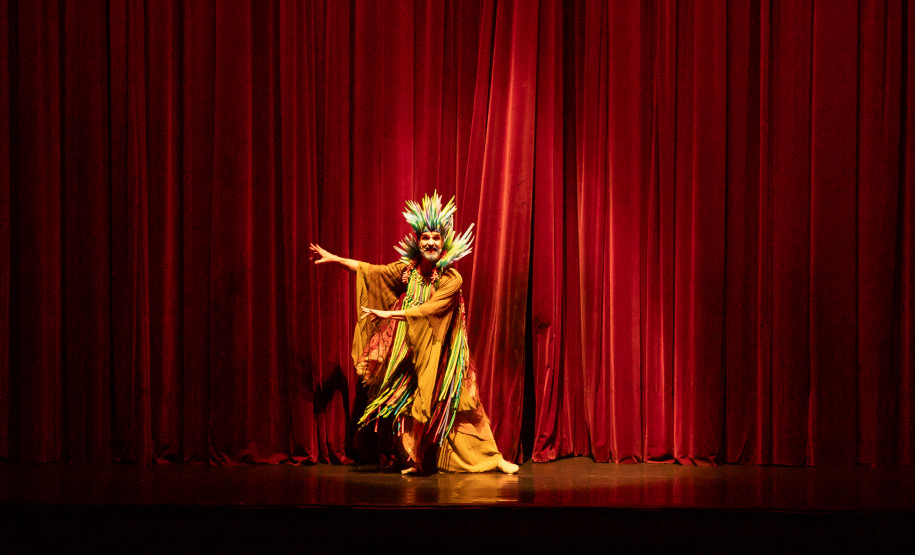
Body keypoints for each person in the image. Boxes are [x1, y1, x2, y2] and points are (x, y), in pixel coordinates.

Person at [310, 192, 519, 474]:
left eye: (436, 237)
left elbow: (429, 310)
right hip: (411, 350)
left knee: (463, 404)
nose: (430, 242)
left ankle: (493, 457)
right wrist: (335, 259)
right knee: (408, 405)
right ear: (417, 242)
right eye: (425, 237)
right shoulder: (406, 270)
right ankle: (417, 462)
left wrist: (390, 314)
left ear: (444, 242)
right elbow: (372, 271)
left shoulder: (450, 278)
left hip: (443, 351)